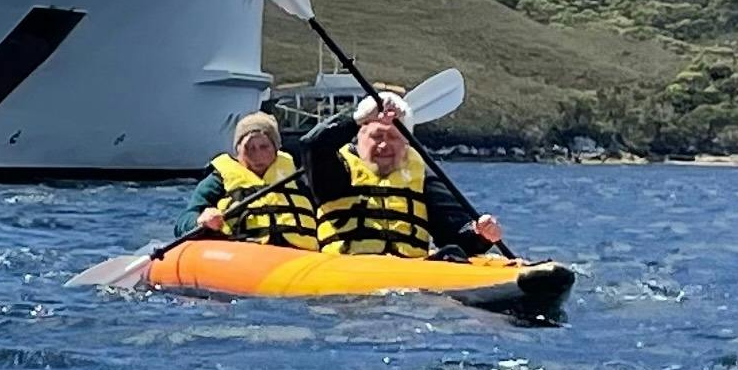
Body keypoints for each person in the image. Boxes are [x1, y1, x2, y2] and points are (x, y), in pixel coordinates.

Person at [299, 86, 507, 258]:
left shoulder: (422, 174)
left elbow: (454, 235)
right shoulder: (336, 167)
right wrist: (355, 118)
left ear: (407, 144)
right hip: (347, 273)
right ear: (359, 136)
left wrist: (480, 233)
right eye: (377, 136)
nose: (383, 145)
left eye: (393, 138)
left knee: (453, 253)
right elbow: (312, 144)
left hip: (408, 278)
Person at [187, 110, 319, 249]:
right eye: (249, 148)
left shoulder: (299, 177)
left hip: (301, 258)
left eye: (264, 147)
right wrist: (201, 220)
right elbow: (184, 221)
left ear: (276, 148)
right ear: (237, 150)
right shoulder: (218, 180)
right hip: (245, 257)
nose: (257, 155)